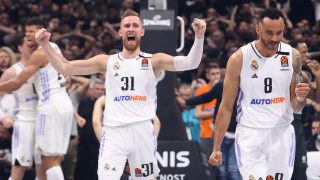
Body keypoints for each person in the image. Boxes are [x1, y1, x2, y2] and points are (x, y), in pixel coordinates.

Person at [35, 9, 206, 180]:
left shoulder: (154, 60)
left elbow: (191, 63)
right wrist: (44, 45)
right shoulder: (106, 61)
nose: (131, 28)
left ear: (142, 31)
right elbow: (66, 67)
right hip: (114, 132)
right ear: (120, 32)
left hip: (143, 131)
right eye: (126, 26)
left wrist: (199, 37)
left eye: (135, 25)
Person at [208, 8, 310, 180]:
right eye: (269, 33)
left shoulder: (293, 56)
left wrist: (301, 98)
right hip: (251, 135)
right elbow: (225, 107)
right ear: (258, 30)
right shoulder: (239, 58)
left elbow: (295, 105)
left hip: (282, 133)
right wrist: (216, 147)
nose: (274, 38)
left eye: (279, 33)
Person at [0, 18, 74, 180]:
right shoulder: (54, 48)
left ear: (43, 32)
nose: (27, 36)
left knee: (50, 159)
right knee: (47, 160)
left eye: (31, 32)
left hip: (49, 107)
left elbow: (17, 83)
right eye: (26, 32)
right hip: (59, 105)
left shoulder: (40, 53)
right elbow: (68, 77)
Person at [0, 35, 46, 180]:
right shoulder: (11, 72)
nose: (32, 47)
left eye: (34, 45)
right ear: (20, 48)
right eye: (28, 44)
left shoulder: (43, 69)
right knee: (19, 169)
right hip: (22, 122)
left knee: (43, 169)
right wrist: (3, 117)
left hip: (42, 122)